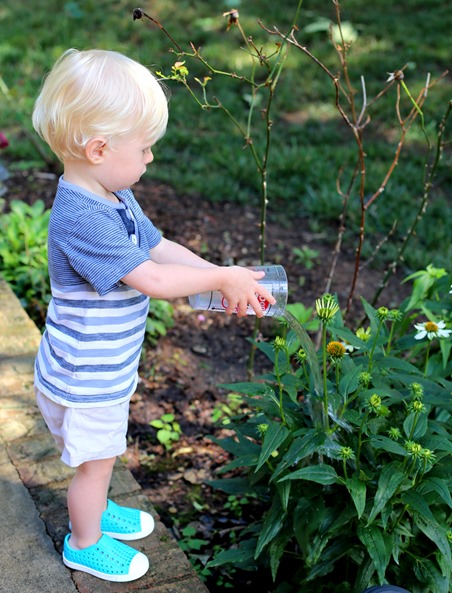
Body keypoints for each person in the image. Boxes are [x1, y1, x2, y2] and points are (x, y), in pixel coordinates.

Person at [31, 48, 275, 583]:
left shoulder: (110, 192)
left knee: (103, 454)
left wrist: (220, 271)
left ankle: (95, 507)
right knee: (93, 466)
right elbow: (156, 281)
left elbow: (158, 249)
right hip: (83, 378)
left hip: (99, 368)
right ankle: (84, 540)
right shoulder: (81, 217)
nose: (149, 159)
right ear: (99, 148)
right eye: (144, 148)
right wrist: (216, 280)